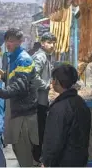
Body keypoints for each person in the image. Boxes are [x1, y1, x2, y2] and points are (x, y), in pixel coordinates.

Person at [0, 28, 39, 167]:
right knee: (17, 149)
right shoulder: (13, 57)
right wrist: (2, 74)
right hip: (15, 111)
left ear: (20, 42)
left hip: (24, 114)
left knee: (25, 154)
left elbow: (19, 86)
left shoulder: (24, 59)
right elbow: (13, 79)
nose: (8, 44)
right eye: (7, 40)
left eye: (12, 41)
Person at [41, 64, 91, 167]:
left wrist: (46, 162)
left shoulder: (59, 108)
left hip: (63, 162)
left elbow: (54, 141)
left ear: (57, 81)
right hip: (80, 160)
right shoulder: (80, 102)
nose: (52, 82)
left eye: (53, 79)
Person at [31, 32, 56, 162]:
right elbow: (34, 77)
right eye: (49, 43)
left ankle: (38, 156)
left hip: (42, 99)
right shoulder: (40, 57)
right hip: (38, 100)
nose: (51, 45)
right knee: (40, 129)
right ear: (42, 43)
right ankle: (37, 158)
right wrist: (46, 85)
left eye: (53, 43)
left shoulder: (47, 56)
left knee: (41, 128)